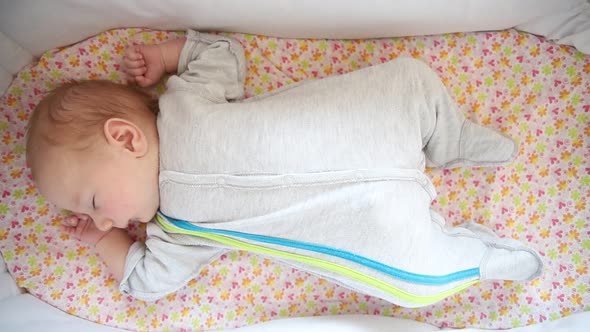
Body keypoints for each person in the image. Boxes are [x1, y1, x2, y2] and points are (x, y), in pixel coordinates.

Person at [26, 29, 542, 306]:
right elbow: (144, 281)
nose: (103, 222)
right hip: (371, 225)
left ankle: (450, 138)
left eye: (93, 204)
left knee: (411, 79)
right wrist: (104, 245)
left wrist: (165, 56)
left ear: (125, 137)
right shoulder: (176, 233)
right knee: (416, 286)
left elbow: (221, 51)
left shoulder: (184, 104)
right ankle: (480, 259)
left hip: (364, 127)